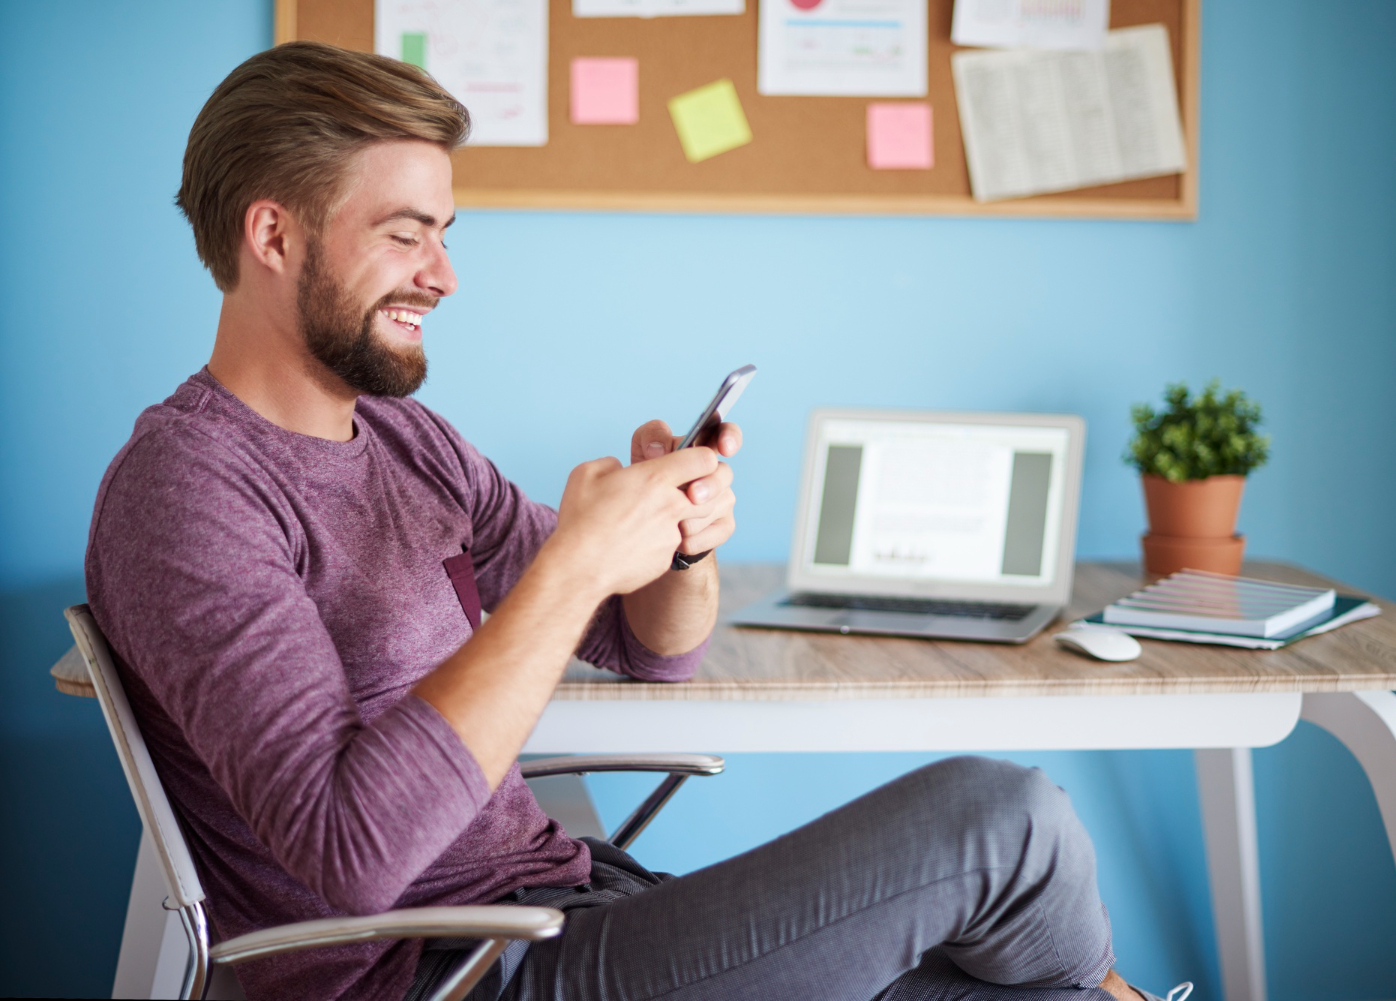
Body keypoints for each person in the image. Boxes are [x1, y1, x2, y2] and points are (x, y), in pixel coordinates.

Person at [84, 41, 1189, 1001]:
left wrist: (678, 544)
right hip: (456, 970)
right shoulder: (185, 493)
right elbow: (351, 853)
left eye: (448, 235)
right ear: (272, 235)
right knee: (1004, 821)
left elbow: (650, 645)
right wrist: (574, 561)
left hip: (580, 913)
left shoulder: (406, 441)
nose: (446, 275)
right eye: (407, 235)